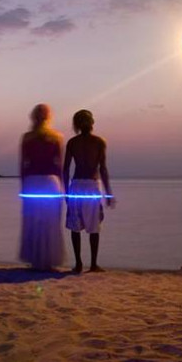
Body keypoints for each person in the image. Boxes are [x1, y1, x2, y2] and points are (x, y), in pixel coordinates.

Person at [63, 109, 114, 273]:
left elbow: (65, 170)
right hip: (91, 185)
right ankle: (93, 264)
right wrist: (108, 193)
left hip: (77, 185)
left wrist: (66, 191)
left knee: (75, 226)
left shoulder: (73, 143)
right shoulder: (99, 142)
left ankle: (79, 263)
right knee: (93, 226)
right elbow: (103, 169)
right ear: (92, 123)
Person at [19, 104, 65, 271]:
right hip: (50, 182)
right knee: (50, 222)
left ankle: (35, 260)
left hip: (32, 182)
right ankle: (48, 261)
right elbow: (59, 165)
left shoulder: (27, 138)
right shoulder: (56, 137)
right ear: (49, 117)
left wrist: (23, 186)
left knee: (33, 221)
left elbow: (23, 164)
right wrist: (63, 189)